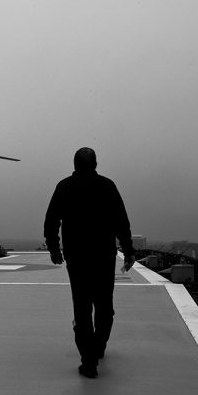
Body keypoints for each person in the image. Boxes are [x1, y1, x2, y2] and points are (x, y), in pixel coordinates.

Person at [43, 147, 136, 379]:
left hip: (78, 259)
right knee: (105, 307)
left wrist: (55, 249)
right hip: (104, 257)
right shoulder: (107, 186)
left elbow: (51, 221)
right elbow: (122, 222)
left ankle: (89, 359)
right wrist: (128, 251)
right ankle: (98, 346)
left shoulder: (64, 187)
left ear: (74, 164)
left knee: (82, 309)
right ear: (95, 164)